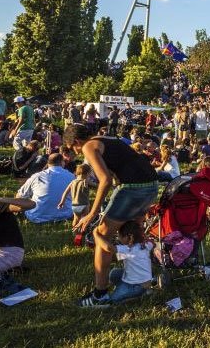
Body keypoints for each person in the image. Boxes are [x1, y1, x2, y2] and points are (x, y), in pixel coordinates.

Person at [63, 124, 159, 308]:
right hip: (151, 185)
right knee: (134, 233)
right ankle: (140, 282)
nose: (75, 152)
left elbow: (105, 179)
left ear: (75, 141)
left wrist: (92, 213)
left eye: (71, 148)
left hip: (132, 188)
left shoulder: (88, 146)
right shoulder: (108, 139)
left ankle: (100, 295)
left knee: (101, 235)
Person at [91, 220, 152, 304]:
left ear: (128, 237)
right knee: (114, 274)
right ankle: (141, 289)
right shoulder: (144, 245)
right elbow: (152, 244)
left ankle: (138, 295)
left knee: (112, 299)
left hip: (135, 286)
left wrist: (96, 235)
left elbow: (108, 248)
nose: (118, 238)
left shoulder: (128, 249)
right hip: (144, 281)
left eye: (119, 235)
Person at [19, 153, 75, 224]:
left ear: (48, 163)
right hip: (65, 215)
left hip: (37, 216)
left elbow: (20, 195)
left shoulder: (37, 176)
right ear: (62, 162)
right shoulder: (71, 176)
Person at [58, 163, 93, 229]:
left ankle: (75, 231)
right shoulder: (86, 181)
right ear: (88, 173)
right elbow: (97, 186)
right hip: (84, 204)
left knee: (75, 219)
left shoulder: (73, 182)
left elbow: (65, 192)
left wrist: (62, 202)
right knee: (84, 218)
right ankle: (82, 231)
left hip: (74, 205)